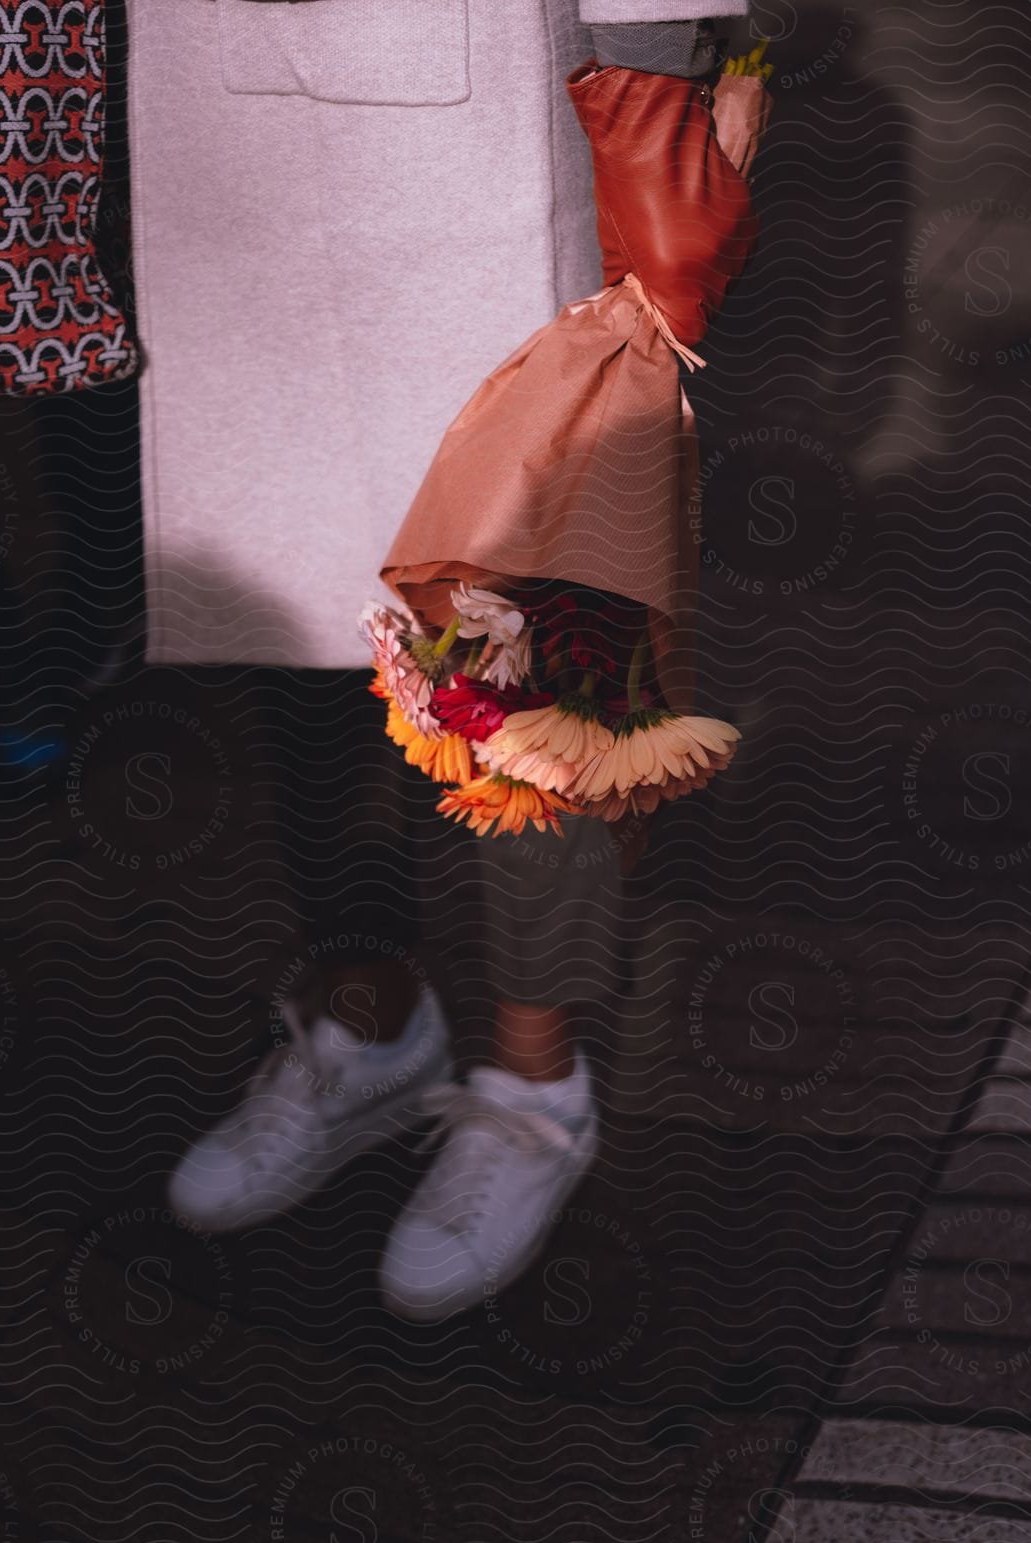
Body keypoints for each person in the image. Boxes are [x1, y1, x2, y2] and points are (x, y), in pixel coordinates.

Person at [127, 2, 750, 1318]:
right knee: (282, 611)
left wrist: (648, 74)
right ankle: (369, 1020)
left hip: (483, 132)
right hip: (210, 122)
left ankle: (534, 1085)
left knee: (517, 647)